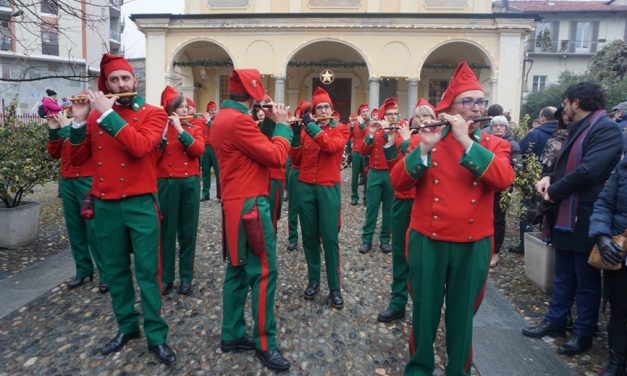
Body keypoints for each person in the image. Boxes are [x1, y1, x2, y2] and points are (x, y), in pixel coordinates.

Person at [390, 62, 514, 375]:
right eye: (469, 101)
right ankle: (419, 366)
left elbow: (502, 179)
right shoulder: (427, 139)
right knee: (424, 311)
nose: (477, 107)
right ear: (451, 108)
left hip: (473, 244)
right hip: (427, 240)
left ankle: (458, 368)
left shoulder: (495, 144)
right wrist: (422, 151)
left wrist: (466, 142)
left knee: (462, 314)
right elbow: (398, 183)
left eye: (481, 101)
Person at [69, 53, 176, 365]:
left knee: (147, 272)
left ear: (135, 82)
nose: (119, 84)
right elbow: (77, 161)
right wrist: (77, 121)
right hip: (106, 205)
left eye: (124, 79)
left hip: (141, 203)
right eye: (113, 80)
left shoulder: (154, 114)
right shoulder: (94, 117)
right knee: (115, 271)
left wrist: (105, 115)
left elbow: (141, 146)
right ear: (106, 84)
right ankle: (126, 327)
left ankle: (157, 336)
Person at [522, 82, 623, 356]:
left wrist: (553, 191)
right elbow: (567, 167)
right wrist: (549, 178)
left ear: (576, 101)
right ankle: (556, 321)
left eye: (565, 101)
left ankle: (584, 333)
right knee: (563, 273)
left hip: (587, 213)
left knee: (586, 280)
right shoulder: (576, 128)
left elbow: (589, 170)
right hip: (567, 212)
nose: (563, 106)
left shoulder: (607, 129)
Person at [211, 69, 292, 371]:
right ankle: (264, 344)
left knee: (237, 272)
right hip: (250, 205)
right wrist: (282, 127)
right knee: (264, 274)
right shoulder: (239, 120)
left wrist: (268, 122)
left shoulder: (223, 117)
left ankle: (231, 333)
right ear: (252, 95)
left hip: (234, 203)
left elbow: (250, 152)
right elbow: (274, 157)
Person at [292, 86, 350, 309]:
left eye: (326, 106)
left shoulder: (341, 129)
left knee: (330, 237)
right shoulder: (307, 129)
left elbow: (330, 146)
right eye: (319, 107)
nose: (323, 110)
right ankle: (313, 280)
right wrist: (296, 136)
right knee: (308, 236)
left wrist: (310, 125)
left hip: (328, 187)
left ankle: (334, 287)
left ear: (332, 110)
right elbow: (296, 159)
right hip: (305, 186)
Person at [378, 98, 435, 323]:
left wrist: (403, 142)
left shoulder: (434, 139)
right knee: (400, 254)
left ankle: (422, 304)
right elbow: (396, 172)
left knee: (423, 258)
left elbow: (419, 159)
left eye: (427, 116)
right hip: (402, 201)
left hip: (423, 203)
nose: (422, 120)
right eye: (419, 116)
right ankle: (397, 302)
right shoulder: (408, 137)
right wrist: (391, 143)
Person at [46, 94, 108, 293]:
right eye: (71, 104)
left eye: (77, 104)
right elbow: (54, 153)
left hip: (87, 180)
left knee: (94, 229)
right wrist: (53, 129)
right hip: (67, 180)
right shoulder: (70, 122)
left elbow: (78, 149)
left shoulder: (92, 122)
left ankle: (106, 273)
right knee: (74, 228)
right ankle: (83, 270)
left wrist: (66, 127)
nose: (72, 108)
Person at [157, 86, 205, 296]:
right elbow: (152, 159)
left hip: (189, 183)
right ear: (171, 109)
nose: (187, 110)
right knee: (166, 232)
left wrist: (181, 130)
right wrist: (164, 135)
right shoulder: (160, 128)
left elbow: (198, 150)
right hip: (166, 183)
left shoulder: (193, 127)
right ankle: (166, 278)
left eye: (186, 107)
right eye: (182, 107)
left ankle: (186, 277)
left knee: (188, 231)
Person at [588, 133, 627, 376]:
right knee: (619, 309)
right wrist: (601, 235)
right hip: (620, 253)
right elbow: (603, 204)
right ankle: (616, 360)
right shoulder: (623, 167)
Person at [358, 98, 398, 254]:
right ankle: (366, 239)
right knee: (372, 208)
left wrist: (391, 133)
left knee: (389, 209)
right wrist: (371, 133)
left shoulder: (401, 131)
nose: (393, 117)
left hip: (391, 174)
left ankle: (385, 239)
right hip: (374, 173)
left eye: (395, 114)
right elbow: (362, 151)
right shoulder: (376, 130)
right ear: (384, 116)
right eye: (390, 114)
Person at [489, 115, 521, 267]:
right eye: (495, 125)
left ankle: (495, 252)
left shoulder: (512, 144)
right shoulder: (487, 141)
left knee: (498, 219)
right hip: (488, 185)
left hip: (503, 188)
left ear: (506, 128)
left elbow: (516, 167)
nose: (498, 128)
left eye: (501, 125)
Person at [286, 101, 309, 251]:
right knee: (293, 206)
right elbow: (291, 156)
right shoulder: (294, 129)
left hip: (312, 172)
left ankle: (312, 238)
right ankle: (293, 237)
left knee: (310, 209)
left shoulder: (317, 129)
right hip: (296, 170)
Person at [350, 104, 370, 205]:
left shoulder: (371, 124)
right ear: (360, 114)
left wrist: (362, 124)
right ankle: (354, 197)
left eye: (367, 111)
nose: (366, 113)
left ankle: (366, 197)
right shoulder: (356, 124)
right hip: (356, 152)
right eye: (363, 112)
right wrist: (351, 127)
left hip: (366, 153)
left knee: (366, 176)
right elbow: (349, 136)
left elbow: (368, 134)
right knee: (354, 176)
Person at [200, 101, 220, 201]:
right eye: (211, 110)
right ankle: (205, 193)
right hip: (205, 147)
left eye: (214, 110)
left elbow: (215, 128)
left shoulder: (219, 119)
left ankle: (220, 194)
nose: (213, 112)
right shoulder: (203, 120)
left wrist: (208, 120)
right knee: (205, 172)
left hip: (215, 148)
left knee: (218, 172)